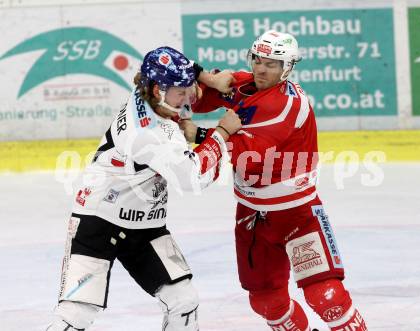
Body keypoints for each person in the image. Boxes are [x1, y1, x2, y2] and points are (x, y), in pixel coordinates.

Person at [180, 30, 368, 331]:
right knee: (266, 302)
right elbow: (199, 97)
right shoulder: (244, 84)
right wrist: (202, 83)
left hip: (297, 213)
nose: (261, 68)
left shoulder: (285, 105)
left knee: (327, 297)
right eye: (258, 60)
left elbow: (245, 153)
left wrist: (198, 134)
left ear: (287, 68)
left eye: (272, 64)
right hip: (251, 213)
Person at [46, 46, 242, 331]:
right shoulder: (148, 134)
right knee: (76, 315)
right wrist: (222, 133)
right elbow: (194, 178)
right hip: (98, 221)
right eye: (181, 91)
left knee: (184, 301)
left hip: (144, 225)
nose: (190, 96)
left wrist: (209, 81)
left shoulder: (152, 95)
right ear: (157, 89)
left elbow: (169, 55)